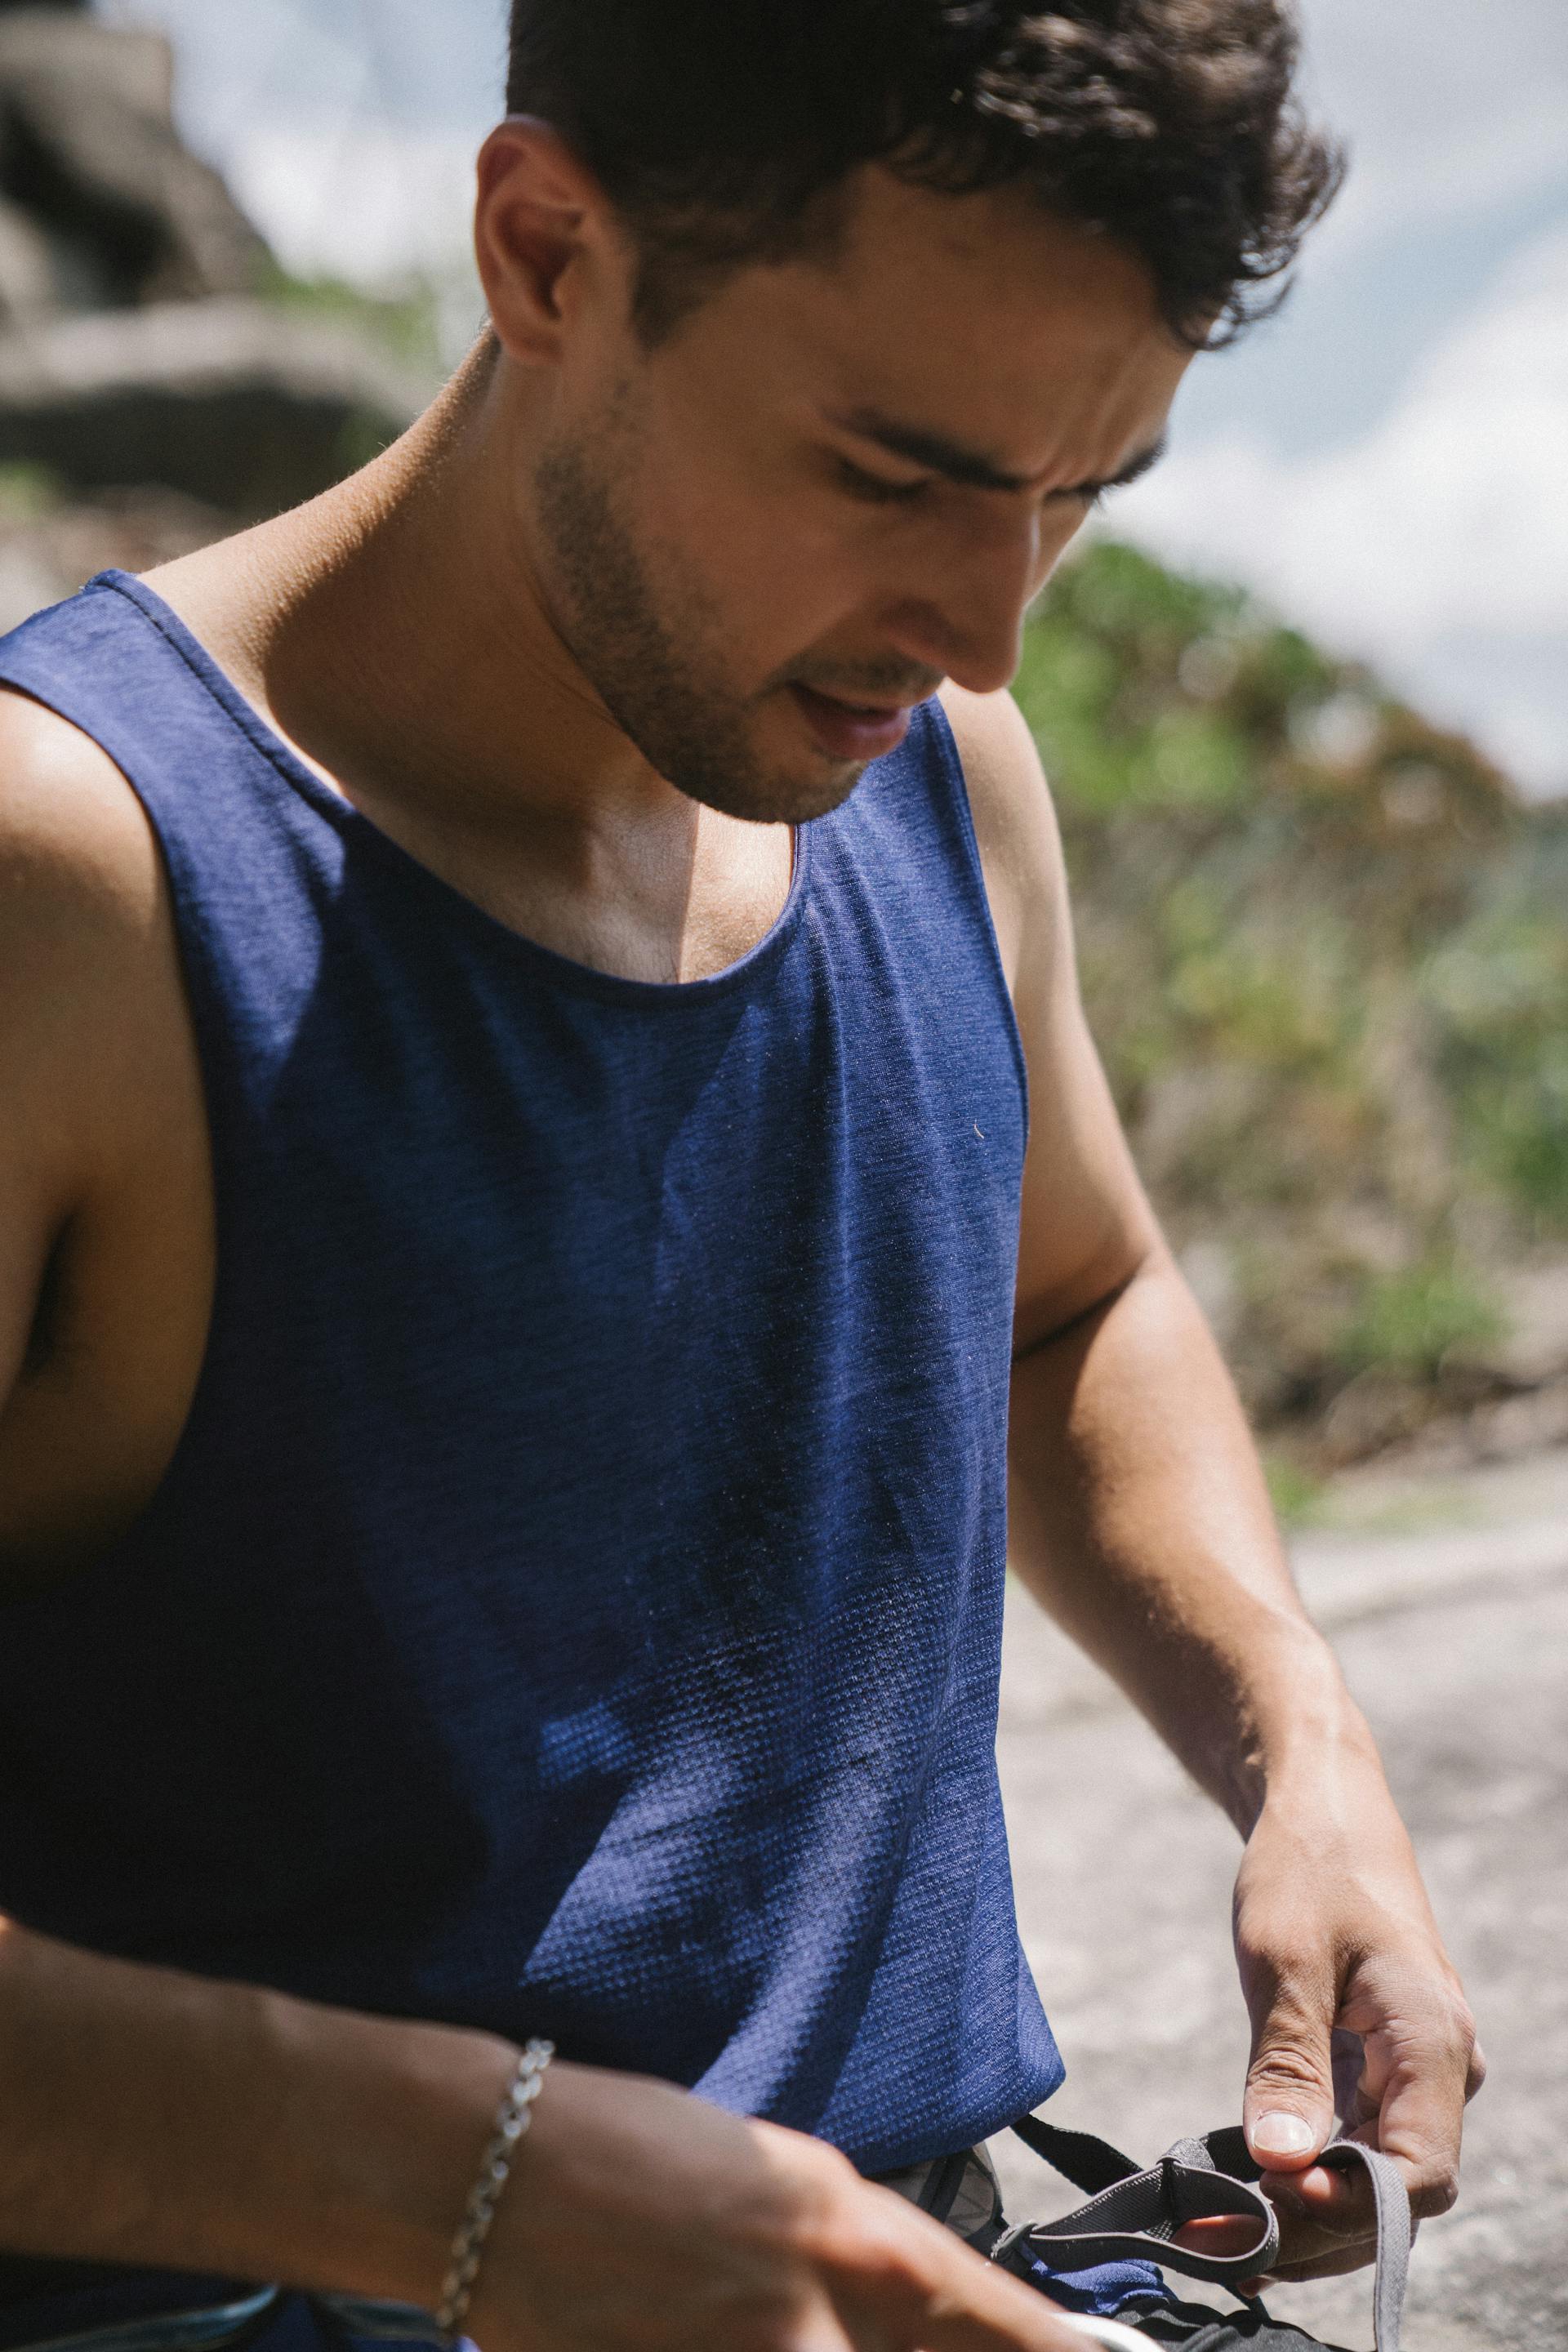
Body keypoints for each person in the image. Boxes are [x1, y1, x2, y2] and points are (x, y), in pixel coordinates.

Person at [0, 5, 1482, 2351]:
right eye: (896, 468)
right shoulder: (73, 886)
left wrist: (1302, 1743)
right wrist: (466, 2192)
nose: (995, 624)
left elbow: (1066, 1296)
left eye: (1080, 491)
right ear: (545, 250)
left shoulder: (933, 771)